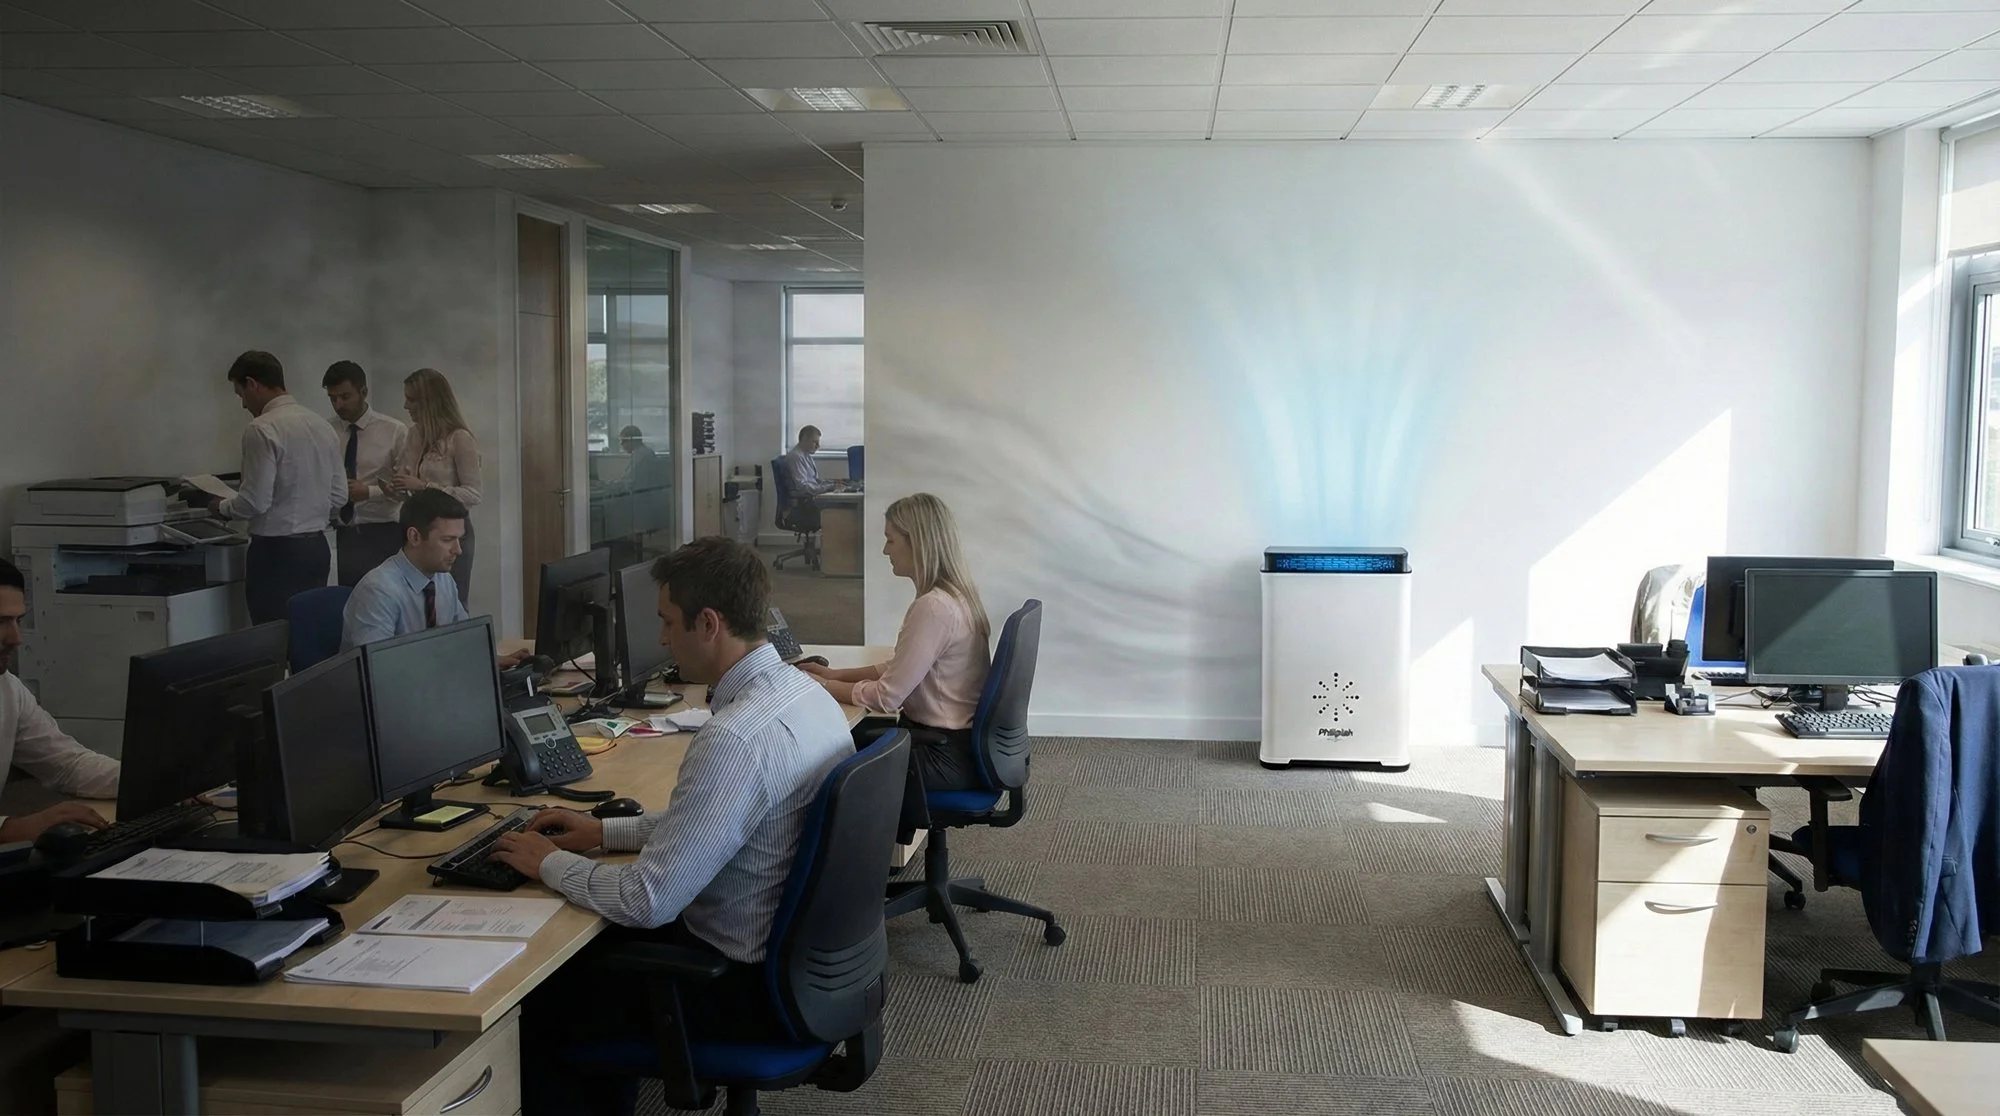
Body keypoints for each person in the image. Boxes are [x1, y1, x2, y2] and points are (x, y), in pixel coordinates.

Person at [489, 537, 853, 1116]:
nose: (661, 638)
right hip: (807, 971)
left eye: (667, 622)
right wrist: (603, 833)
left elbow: (648, 900)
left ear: (708, 623)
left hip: (739, 988)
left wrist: (548, 862)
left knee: (544, 994)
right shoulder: (803, 694)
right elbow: (723, 823)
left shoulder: (733, 740)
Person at [802, 493, 992, 790]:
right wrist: (833, 675)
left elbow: (887, 698)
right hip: (955, 746)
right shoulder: (956, 597)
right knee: (842, 740)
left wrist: (816, 686)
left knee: (820, 763)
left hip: (940, 755)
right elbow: (903, 667)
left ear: (917, 543)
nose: (884, 550)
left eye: (891, 540)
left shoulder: (934, 608)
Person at [208, 350, 346, 626]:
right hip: (317, 549)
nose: (243, 405)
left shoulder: (261, 429)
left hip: (276, 555)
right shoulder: (322, 425)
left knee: (274, 640)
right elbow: (339, 495)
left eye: (241, 395)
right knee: (309, 636)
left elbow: (255, 502)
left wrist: (222, 507)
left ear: (252, 383)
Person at [339, 490, 532, 667]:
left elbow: (464, 640)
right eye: (447, 540)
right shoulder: (378, 591)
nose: (458, 550)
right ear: (414, 536)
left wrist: (492, 661)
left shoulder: (444, 580)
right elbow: (377, 669)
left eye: (459, 539)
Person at [0, 559, 119, 842]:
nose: (16, 638)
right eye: (0, 622)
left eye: (18, 620)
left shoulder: (8, 689)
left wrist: (154, 781)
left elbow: (68, 765)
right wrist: (10, 828)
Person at [387, 368, 481, 606]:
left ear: (429, 402)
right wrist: (397, 489)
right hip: (418, 531)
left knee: (452, 602)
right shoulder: (415, 435)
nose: (406, 406)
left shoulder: (459, 439)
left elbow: (473, 494)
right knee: (416, 601)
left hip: (451, 533)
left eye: (412, 399)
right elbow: (408, 481)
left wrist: (424, 486)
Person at [324, 360, 409, 588]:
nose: (338, 404)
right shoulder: (325, 431)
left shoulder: (394, 431)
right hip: (340, 533)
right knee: (347, 603)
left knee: (387, 600)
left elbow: (406, 489)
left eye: (345, 396)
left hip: (382, 531)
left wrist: (369, 492)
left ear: (363, 392)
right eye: (332, 398)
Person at [777, 424, 849, 533]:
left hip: (809, 500)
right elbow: (803, 487)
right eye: (815, 442)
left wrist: (833, 482)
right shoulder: (795, 457)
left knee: (845, 504)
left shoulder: (806, 456)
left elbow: (814, 482)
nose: (818, 446)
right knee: (843, 506)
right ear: (804, 439)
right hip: (804, 505)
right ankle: (836, 547)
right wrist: (830, 487)